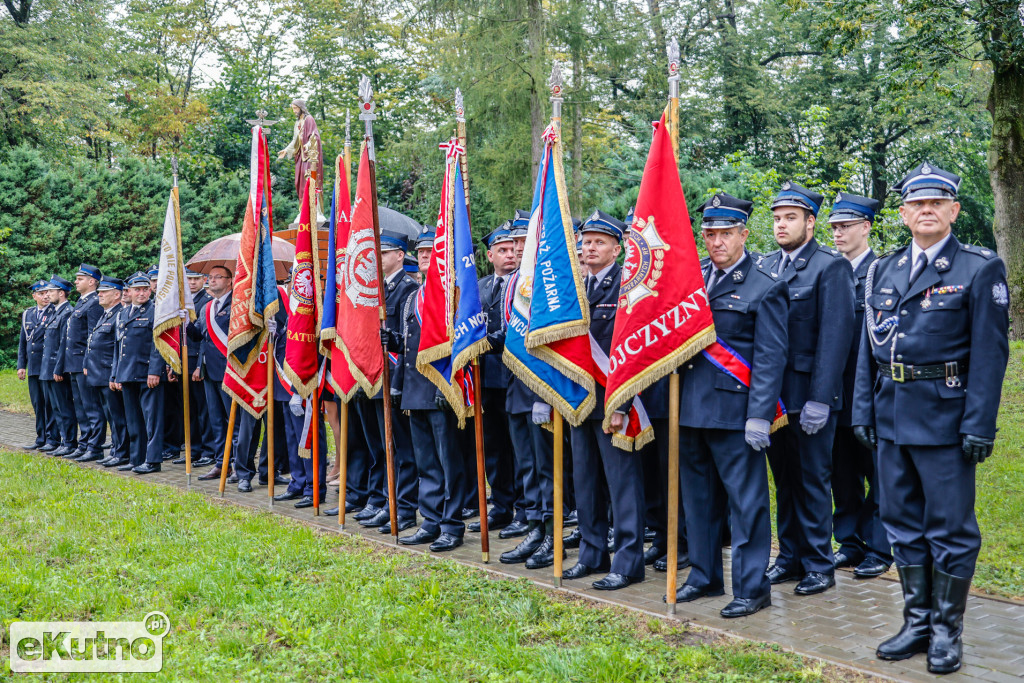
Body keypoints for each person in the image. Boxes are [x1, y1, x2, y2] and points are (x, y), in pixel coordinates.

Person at [853, 162, 1009, 674]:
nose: (926, 210)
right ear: (902, 214)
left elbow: (991, 355)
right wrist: (862, 408)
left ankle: (946, 630)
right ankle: (916, 621)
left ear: (953, 210)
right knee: (900, 522)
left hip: (945, 417)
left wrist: (979, 423)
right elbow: (867, 348)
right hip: (891, 413)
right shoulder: (886, 269)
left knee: (950, 528)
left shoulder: (979, 267)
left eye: (936, 203)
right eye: (917, 203)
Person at [668, 192, 788, 617]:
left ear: (743, 234)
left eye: (724, 233)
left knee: (746, 504)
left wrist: (759, 414)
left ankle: (753, 587)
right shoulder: (690, 279)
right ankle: (704, 575)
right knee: (697, 500)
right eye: (709, 234)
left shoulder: (765, 285)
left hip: (736, 413)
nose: (715, 242)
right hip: (690, 408)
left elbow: (771, 358)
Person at [759, 181, 855, 596]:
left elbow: (836, 338)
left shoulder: (829, 266)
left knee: (813, 479)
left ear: (810, 223)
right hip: (774, 398)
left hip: (809, 396)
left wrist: (821, 397)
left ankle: (819, 563)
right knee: (784, 478)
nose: (782, 225)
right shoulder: (766, 266)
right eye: (777, 218)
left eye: (791, 218)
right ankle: (789, 556)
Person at [562, 210, 646, 591]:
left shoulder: (627, 287)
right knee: (586, 482)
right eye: (585, 241)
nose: (589, 248)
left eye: (598, 242)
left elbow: (633, 352)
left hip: (614, 403)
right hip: (580, 401)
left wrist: (623, 405)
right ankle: (592, 553)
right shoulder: (575, 286)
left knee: (622, 485)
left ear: (617, 248)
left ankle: (628, 562)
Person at [826, 192, 893, 579]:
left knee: (878, 471)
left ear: (866, 228)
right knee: (842, 471)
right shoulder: (828, 271)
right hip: (836, 390)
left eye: (846, 226)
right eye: (834, 227)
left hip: (873, 390)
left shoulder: (882, 272)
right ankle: (849, 542)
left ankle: (880, 546)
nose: (838, 234)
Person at [391, 230, 466, 552]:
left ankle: (452, 525)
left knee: (449, 462)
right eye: (421, 252)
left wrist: (449, 386)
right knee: (426, 463)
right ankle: (431, 520)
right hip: (415, 390)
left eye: (431, 252)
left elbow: (462, 344)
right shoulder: (412, 296)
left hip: (441, 391)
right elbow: (410, 347)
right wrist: (389, 343)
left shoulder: (455, 295)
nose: (424, 256)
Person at [471, 225, 519, 533]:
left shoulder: (524, 283)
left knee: (519, 448)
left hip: (516, 376)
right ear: (490, 256)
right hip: (485, 377)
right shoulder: (480, 286)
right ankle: (501, 507)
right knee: (494, 447)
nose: (510, 253)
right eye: (502, 249)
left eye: (513, 248)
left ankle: (526, 509)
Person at [111, 272, 166, 474]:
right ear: (129, 292)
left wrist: (154, 371)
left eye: (145, 289)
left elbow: (158, 344)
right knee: (133, 419)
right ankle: (136, 458)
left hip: (147, 374)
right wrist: (115, 374)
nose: (141, 293)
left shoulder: (156, 311)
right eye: (137, 289)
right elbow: (118, 346)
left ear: (150, 291)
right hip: (126, 373)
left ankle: (152, 460)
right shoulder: (123, 313)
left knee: (152, 420)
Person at [188, 265, 235, 480]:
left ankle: (235, 462)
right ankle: (220, 462)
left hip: (230, 371)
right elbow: (199, 337)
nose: (212, 280)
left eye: (218, 277)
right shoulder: (207, 307)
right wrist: (186, 322)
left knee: (232, 421)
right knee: (216, 420)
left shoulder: (237, 303)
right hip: (209, 370)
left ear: (230, 281)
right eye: (211, 277)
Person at [87, 277, 130, 468]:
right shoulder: (106, 314)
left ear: (117, 294)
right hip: (99, 374)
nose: (100, 294)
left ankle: (121, 452)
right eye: (99, 291)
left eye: (105, 291)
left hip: (108, 374)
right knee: (110, 415)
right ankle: (115, 449)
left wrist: (115, 374)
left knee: (117, 417)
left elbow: (119, 349)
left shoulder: (119, 314)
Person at [66, 264, 106, 462]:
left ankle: (95, 446)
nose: (76, 281)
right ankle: (84, 444)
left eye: (80, 278)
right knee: (81, 407)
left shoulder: (94, 303)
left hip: (84, 362)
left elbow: (93, 337)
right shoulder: (81, 302)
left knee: (92, 407)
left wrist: (88, 363)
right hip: (74, 362)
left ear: (92, 282)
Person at [176, 268, 214, 466]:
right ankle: (194, 449)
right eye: (189, 279)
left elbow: (203, 339)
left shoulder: (206, 301)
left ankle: (208, 450)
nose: (192, 283)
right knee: (188, 409)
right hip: (184, 361)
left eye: (196, 279)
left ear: (203, 279)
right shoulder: (185, 301)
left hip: (198, 363)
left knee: (203, 410)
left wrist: (200, 365)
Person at [38, 276, 77, 457]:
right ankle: (62, 440)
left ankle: (69, 442)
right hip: (48, 368)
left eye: (51, 291)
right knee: (56, 408)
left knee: (64, 407)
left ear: (61, 293)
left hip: (57, 369)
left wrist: (58, 368)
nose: (47, 294)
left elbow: (64, 344)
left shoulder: (67, 312)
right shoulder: (55, 312)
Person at [17, 280, 56, 451]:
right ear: (34, 296)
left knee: (49, 403)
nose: (45, 296)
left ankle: (53, 438)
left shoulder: (55, 311)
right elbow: (23, 342)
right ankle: (41, 437)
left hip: (47, 366)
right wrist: (21, 365)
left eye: (47, 292)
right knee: (38, 404)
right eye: (41, 293)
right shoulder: (28, 314)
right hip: (33, 366)